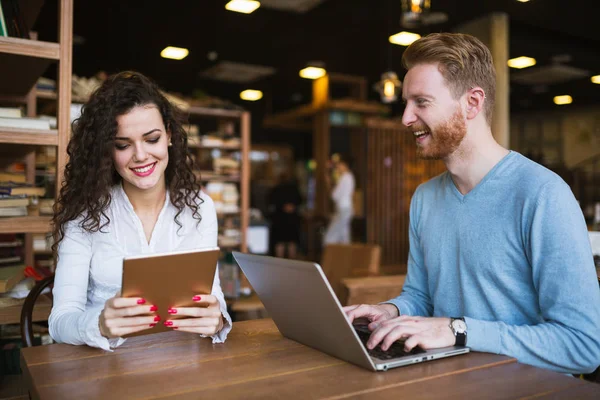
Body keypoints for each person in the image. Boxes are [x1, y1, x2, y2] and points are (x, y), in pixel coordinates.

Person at [344, 33, 600, 375]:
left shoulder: (543, 194)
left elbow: (583, 346)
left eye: (421, 101)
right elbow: (421, 297)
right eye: (406, 103)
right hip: (447, 381)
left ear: (472, 103)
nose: (405, 118)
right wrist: (391, 311)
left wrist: (458, 330)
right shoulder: (425, 198)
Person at [49, 71, 232, 351]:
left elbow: (212, 296)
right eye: (123, 144)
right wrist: (99, 323)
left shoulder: (199, 207)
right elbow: (60, 322)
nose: (141, 155)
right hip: (106, 369)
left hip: (184, 365)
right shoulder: (84, 214)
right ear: (106, 151)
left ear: (169, 135)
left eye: (152, 139)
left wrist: (216, 319)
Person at [268, 172, 303, 259]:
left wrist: (282, 207)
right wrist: (292, 207)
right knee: (292, 242)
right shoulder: (294, 189)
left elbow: (270, 202)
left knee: (279, 242)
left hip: (279, 219)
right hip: (292, 219)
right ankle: (292, 262)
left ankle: (279, 263)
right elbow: (300, 201)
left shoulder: (276, 189)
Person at [323, 154, 355, 245]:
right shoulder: (348, 177)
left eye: (339, 164)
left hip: (343, 210)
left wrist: (328, 182)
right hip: (345, 209)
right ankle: (346, 258)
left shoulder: (345, 177)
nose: (337, 167)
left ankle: (331, 258)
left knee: (329, 239)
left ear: (345, 165)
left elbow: (334, 195)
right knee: (344, 238)